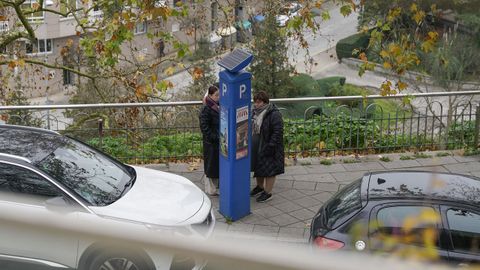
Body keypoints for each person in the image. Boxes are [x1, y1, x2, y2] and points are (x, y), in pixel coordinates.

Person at [250, 91, 284, 202]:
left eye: (259, 102)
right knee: (258, 166)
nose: (256, 104)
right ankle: (260, 187)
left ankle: (268, 192)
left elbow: (277, 132)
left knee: (270, 170)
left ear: (265, 102)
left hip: (269, 145)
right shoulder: (254, 112)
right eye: (255, 102)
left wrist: (271, 146)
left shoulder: (274, 113)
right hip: (257, 144)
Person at [199, 85, 220, 196]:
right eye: (216, 95)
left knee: (214, 164)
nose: (218, 97)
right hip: (211, 142)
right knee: (211, 165)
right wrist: (213, 137)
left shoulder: (216, 106)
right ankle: (211, 189)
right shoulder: (207, 108)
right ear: (210, 95)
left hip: (216, 140)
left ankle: (213, 187)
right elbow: (204, 127)